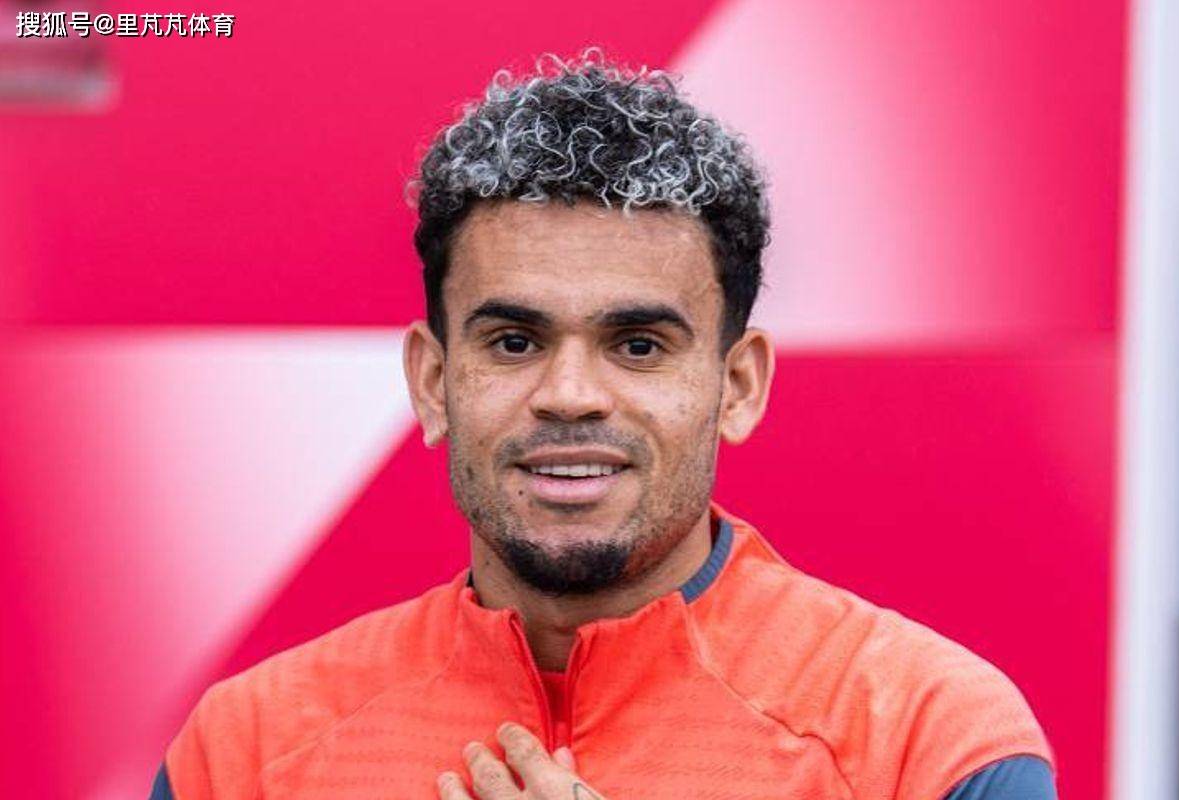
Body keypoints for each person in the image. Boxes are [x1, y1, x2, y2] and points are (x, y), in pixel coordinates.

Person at [150, 50, 1056, 800]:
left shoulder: (927, 739)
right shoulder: (244, 751)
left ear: (738, 385)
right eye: (514, 342)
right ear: (432, 381)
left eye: (637, 346)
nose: (571, 395)